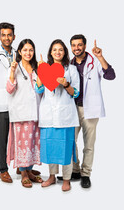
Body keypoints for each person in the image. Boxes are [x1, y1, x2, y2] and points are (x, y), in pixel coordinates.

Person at [0, 23, 40, 183]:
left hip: (19, 103)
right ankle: (3, 170)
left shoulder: (18, 53)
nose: (6, 37)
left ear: (14, 36)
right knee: (3, 138)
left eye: (9, 34)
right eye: (3, 35)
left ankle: (22, 166)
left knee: (21, 137)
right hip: (2, 103)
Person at [58, 34, 116, 188]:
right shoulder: (68, 64)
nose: (76, 48)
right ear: (71, 47)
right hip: (72, 109)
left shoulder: (94, 61)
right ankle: (75, 170)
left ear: (84, 45)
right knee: (71, 142)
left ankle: (86, 173)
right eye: (74, 45)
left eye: (79, 45)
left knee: (89, 144)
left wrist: (101, 57)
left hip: (90, 108)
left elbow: (111, 76)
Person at [35, 39, 80, 191]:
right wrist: (40, 71)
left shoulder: (71, 69)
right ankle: (52, 177)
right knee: (50, 147)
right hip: (48, 115)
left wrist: (66, 84)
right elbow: (39, 90)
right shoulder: (44, 68)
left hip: (66, 116)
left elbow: (76, 93)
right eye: (54, 49)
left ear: (65, 52)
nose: (57, 52)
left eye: (60, 49)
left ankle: (66, 179)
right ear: (50, 52)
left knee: (66, 148)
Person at [6, 39, 43, 188]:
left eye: (31, 50)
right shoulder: (15, 67)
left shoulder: (35, 68)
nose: (28, 53)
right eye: (25, 50)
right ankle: (23, 173)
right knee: (23, 144)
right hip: (20, 113)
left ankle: (29, 170)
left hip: (35, 112)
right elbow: (9, 89)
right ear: (20, 52)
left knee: (33, 143)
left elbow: (40, 89)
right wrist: (12, 72)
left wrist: (42, 71)